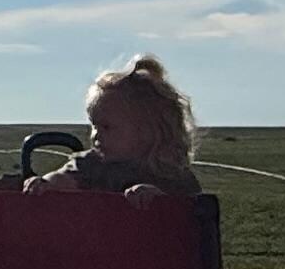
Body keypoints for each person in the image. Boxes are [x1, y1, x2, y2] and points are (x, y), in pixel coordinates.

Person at [24, 54, 202, 198]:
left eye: (107, 127)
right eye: (94, 125)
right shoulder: (90, 164)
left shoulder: (171, 175)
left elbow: (187, 218)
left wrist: (158, 201)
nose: (96, 135)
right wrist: (46, 183)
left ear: (146, 131)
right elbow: (64, 178)